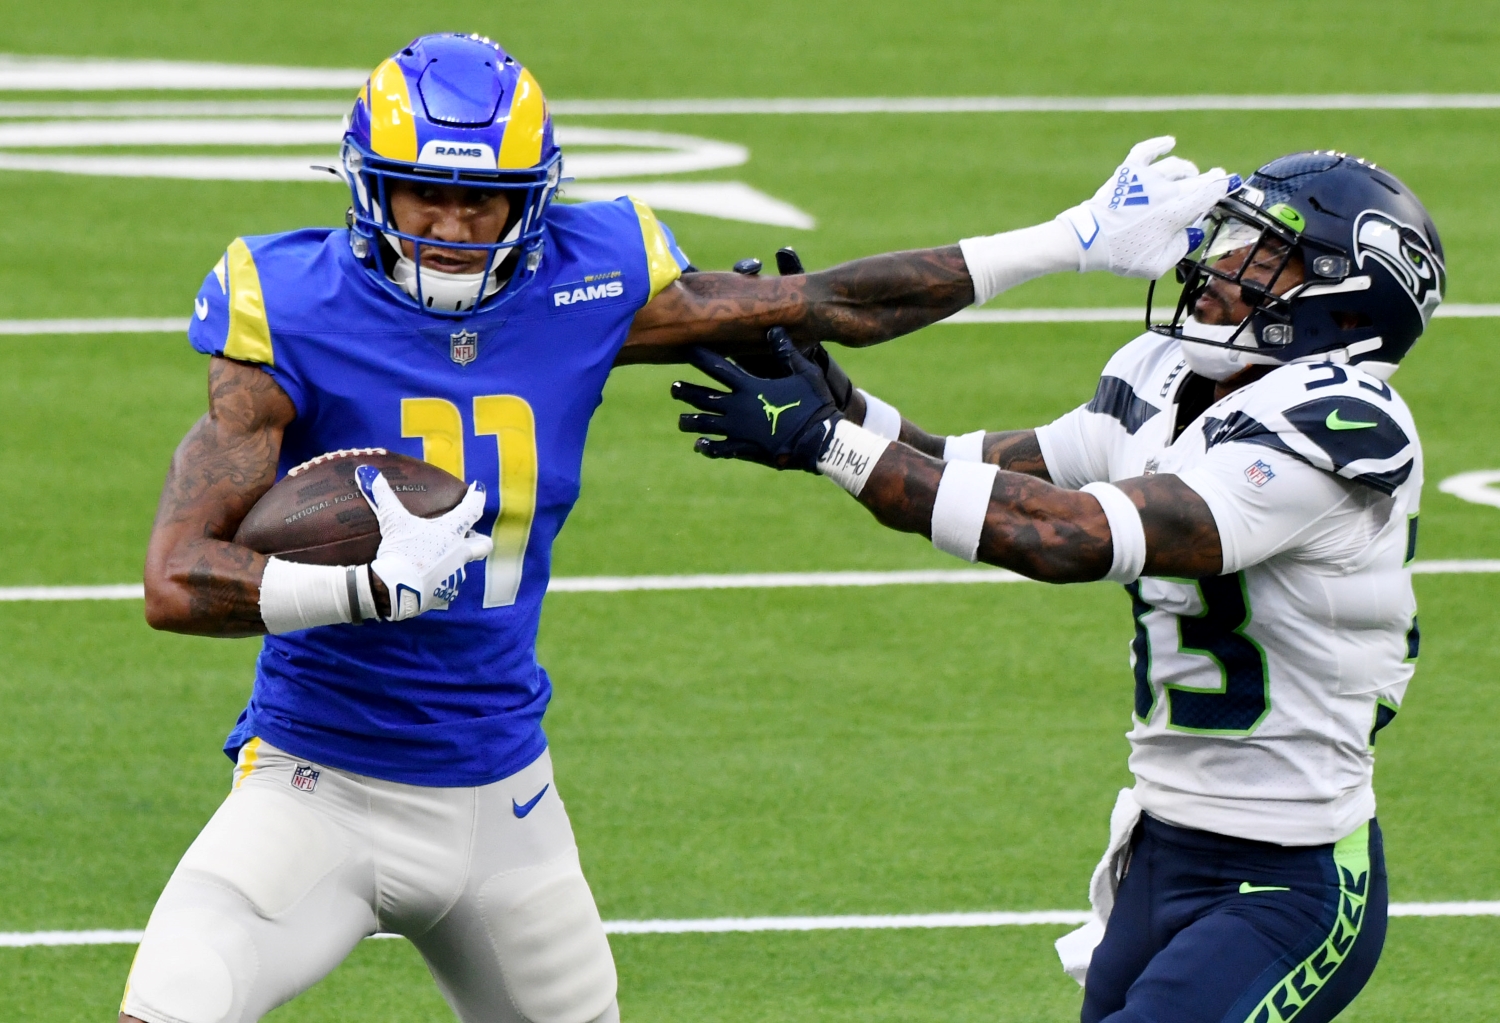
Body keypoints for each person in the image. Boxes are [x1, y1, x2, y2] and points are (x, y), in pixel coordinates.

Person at [126, 31, 1234, 1023]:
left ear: (536, 200)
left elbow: (828, 305)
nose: (456, 226)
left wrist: (1072, 238)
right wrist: (367, 586)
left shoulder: (587, 273)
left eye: (487, 201)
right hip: (314, 785)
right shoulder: (289, 302)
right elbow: (176, 582)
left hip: (506, 797)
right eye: (424, 195)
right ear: (370, 187)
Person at [675, 150, 1441, 1023]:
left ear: (1345, 296)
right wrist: (837, 399)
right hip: (1163, 846)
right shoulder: (1166, 375)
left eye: (1262, 254)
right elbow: (968, 467)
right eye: (1232, 242)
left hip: (1291, 877)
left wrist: (828, 444)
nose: (1220, 266)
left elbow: (1071, 537)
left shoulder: (1340, 423)